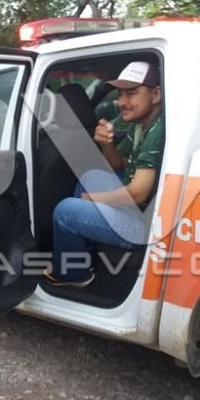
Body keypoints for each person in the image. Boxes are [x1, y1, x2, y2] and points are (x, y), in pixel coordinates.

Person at [43, 60, 163, 287]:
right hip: (141, 209)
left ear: (156, 95)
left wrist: (93, 199)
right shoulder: (142, 125)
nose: (121, 102)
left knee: (65, 211)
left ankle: (73, 274)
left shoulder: (158, 130)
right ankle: (83, 256)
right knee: (90, 176)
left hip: (145, 225)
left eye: (131, 93)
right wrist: (107, 144)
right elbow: (119, 164)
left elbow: (138, 193)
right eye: (120, 94)